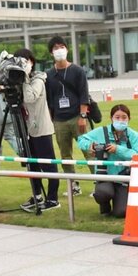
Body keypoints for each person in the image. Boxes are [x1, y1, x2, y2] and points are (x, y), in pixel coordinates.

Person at [13, 48, 61, 212]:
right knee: (31, 164)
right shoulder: (20, 80)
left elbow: (30, 97)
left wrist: (25, 77)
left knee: (48, 164)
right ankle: (38, 196)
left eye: (26, 60)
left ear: (32, 62)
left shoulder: (38, 79)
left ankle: (53, 198)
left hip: (41, 129)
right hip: (27, 129)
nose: (23, 64)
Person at [78, 104, 138, 217]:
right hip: (105, 175)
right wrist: (91, 146)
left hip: (124, 178)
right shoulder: (101, 132)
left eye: (124, 117)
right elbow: (81, 140)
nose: (121, 120)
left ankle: (119, 201)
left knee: (121, 213)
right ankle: (104, 205)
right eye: (117, 117)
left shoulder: (134, 136)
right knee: (103, 193)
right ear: (111, 118)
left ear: (129, 119)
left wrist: (118, 149)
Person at [45, 36, 90, 198]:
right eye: (55, 48)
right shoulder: (49, 74)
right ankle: (73, 184)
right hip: (59, 119)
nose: (59, 50)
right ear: (51, 52)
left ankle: (100, 183)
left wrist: (83, 115)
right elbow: (49, 99)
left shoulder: (77, 70)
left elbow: (84, 94)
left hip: (77, 116)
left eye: (61, 46)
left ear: (67, 49)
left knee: (89, 150)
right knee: (65, 154)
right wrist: (51, 120)